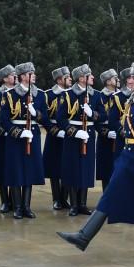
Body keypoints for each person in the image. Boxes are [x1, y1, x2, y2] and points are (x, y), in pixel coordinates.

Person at [57, 62, 134, 260]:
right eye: (129, 78)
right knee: (110, 194)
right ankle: (84, 236)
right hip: (128, 157)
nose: (129, 81)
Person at [0, 62, 47, 219]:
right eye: (30, 73)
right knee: (16, 171)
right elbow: (4, 120)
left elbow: (45, 118)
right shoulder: (9, 95)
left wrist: (36, 113)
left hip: (33, 135)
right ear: (22, 76)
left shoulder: (40, 94)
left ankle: (26, 206)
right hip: (16, 138)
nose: (33, 75)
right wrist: (18, 133)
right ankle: (18, 207)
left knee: (29, 171)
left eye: (33, 72)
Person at [58, 64, 104, 216]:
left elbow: (104, 116)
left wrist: (93, 114)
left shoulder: (96, 95)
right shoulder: (67, 94)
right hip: (73, 137)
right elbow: (61, 118)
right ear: (81, 78)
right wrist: (74, 132)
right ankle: (74, 204)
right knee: (72, 169)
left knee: (85, 169)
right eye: (89, 75)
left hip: (89, 135)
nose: (92, 78)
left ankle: (82, 204)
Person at [43, 66, 71, 209]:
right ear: (60, 80)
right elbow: (44, 117)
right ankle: (56, 199)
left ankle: (65, 198)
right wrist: (54, 130)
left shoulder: (71, 94)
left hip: (68, 133)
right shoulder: (48, 94)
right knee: (54, 168)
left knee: (67, 166)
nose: (71, 79)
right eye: (67, 77)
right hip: (54, 134)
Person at [0, 64, 16, 213]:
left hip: (16, 135)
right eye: (13, 75)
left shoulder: (19, 93)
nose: (16, 77)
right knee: (1, 168)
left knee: (14, 168)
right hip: (2, 136)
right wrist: (1, 130)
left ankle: (15, 200)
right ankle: (5, 200)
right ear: (5, 78)